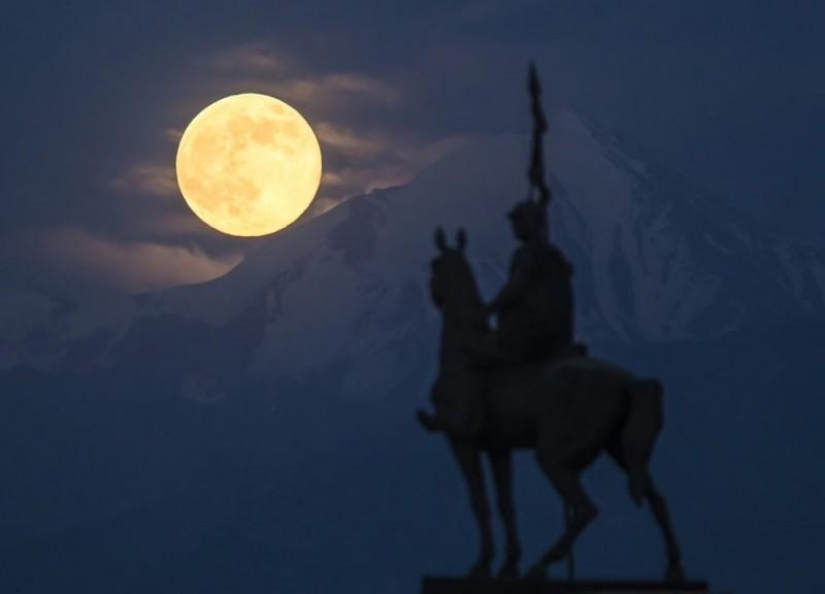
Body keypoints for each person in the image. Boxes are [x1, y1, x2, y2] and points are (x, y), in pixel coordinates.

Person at [485, 199, 576, 363]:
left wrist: (488, 309)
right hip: (560, 335)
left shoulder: (527, 253)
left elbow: (515, 287)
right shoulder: (553, 254)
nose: (514, 227)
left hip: (531, 333)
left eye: (518, 221)